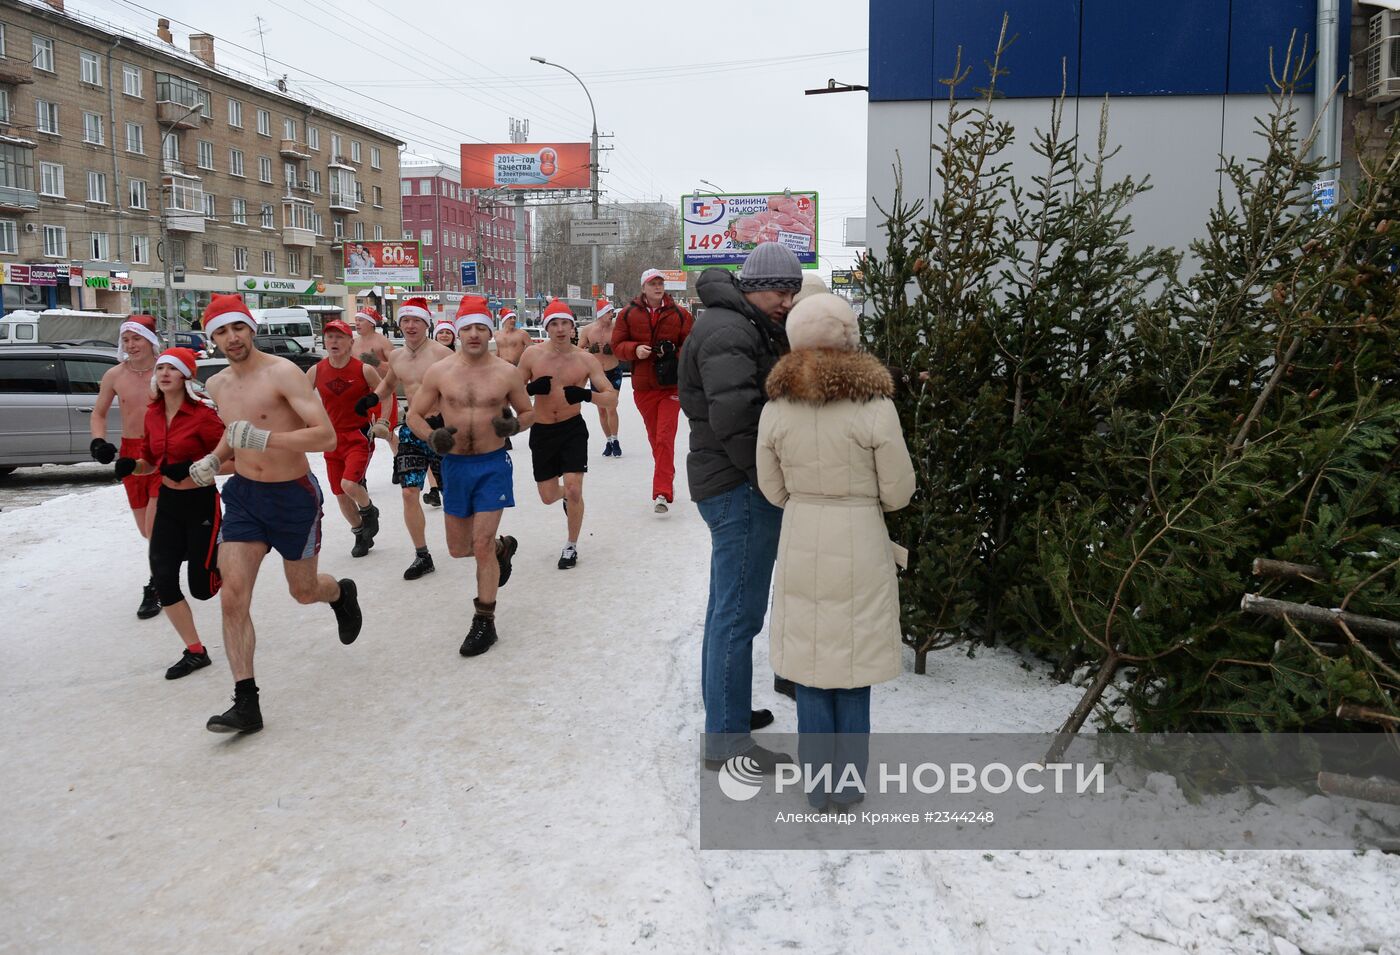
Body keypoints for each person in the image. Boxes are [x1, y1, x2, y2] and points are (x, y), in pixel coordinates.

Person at [756, 294, 915, 808]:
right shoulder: (875, 403)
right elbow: (899, 491)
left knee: (810, 665)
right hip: (861, 537)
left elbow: (770, 486)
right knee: (854, 662)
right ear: (850, 337)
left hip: (801, 533)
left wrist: (805, 499)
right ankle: (848, 785)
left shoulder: (778, 405)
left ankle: (818, 785)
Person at [193, 294, 363, 734]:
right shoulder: (217, 386)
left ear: (250, 328)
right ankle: (245, 702)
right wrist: (215, 459)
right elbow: (236, 436)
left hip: (293, 496)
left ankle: (340, 595)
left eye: (237, 328)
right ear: (211, 338)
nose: (231, 338)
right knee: (233, 596)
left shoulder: (283, 372)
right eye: (220, 332)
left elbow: (325, 437)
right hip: (245, 497)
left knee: (303, 591)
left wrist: (265, 439)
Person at [677, 242, 805, 772]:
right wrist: (769, 482)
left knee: (725, 610)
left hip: (728, 484)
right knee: (737, 616)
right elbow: (738, 421)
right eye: (782, 290)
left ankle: (726, 714)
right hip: (739, 486)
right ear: (754, 287)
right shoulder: (732, 330)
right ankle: (727, 740)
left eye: (794, 291)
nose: (788, 301)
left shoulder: (738, 323)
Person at [408, 296, 533, 656]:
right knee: (459, 548)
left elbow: (528, 414)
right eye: (468, 328)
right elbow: (414, 415)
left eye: (481, 327)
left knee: (478, 546)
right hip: (455, 466)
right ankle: (501, 549)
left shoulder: (506, 372)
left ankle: (484, 621)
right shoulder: (440, 372)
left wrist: (513, 425)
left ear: (490, 331)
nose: (474, 334)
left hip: (493, 464)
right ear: (458, 331)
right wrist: (432, 436)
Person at [114, 347, 228, 680]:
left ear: (186, 376)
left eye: (172, 369)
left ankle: (229, 561)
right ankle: (195, 651)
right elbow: (149, 461)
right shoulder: (151, 414)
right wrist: (131, 466)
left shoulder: (204, 416)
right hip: (168, 503)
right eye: (160, 367)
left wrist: (197, 469)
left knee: (202, 588)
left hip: (201, 504)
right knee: (163, 579)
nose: (163, 373)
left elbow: (233, 459)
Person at [518, 299, 618, 569]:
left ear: (573, 328)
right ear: (546, 328)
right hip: (542, 431)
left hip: (572, 429)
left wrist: (586, 395)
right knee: (548, 496)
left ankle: (571, 546)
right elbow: (511, 391)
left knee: (575, 489)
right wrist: (529, 390)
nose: (560, 329)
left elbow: (612, 399)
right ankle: (564, 498)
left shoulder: (585, 360)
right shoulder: (532, 355)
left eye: (565, 323)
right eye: (554, 323)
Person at [366, 297, 455, 579]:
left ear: (426, 324)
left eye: (416, 320)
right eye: (406, 320)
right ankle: (422, 555)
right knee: (408, 492)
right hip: (411, 429)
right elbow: (390, 383)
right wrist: (371, 398)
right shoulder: (397, 356)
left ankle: (481, 540)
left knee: (455, 494)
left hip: (442, 428)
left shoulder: (443, 354)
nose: (411, 325)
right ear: (400, 324)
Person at [90, 314, 166, 618]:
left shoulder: (165, 369)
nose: (131, 345)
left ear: (150, 340)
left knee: (154, 526)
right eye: (126, 339)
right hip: (130, 454)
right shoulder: (114, 375)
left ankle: (157, 584)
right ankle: (174, 555)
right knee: (146, 531)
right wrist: (99, 442)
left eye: (136, 338)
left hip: (161, 452)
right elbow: (98, 413)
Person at [611, 268, 694, 512]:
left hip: (671, 385)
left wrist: (672, 351)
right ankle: (664, 476)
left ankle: (662, 492)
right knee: (655, 437)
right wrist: (634, 349)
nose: (658, 287)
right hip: (644, 386)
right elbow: (617, 346)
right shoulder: (627, 314)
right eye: (652, 283)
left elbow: (691, 347)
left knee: (664, 436)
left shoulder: (680, 314)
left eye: (660, 283)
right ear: (644, 287)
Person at [306, 319, 382, 559]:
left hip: (358, 436)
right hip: (331, 439)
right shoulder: (316, 370)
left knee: (350, 485)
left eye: (339, 337)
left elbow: (385, 394)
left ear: (351, 342)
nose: (334, 341)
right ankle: (360, 532)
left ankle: (369, 511)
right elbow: (298, 399)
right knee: (339, 493)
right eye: (329, 337)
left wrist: (382, 422)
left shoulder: (364, 370)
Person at [578, 297, 623, 456]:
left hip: (614, 371)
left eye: (612, 312)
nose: (612, 315)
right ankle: (609, 440)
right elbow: (578, 350)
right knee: (602, 411)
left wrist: (614, 349)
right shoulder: (588, 330)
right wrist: (591, 350)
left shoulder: (617, 328)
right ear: (601, 314)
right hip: (597, 374)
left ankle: (616, 440)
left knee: (611, 407)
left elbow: (624, 347)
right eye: (609, 312)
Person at [422, 319, 458, 508]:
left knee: (448, 454)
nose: (444, 335)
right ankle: (434, 489)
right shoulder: (428, 356)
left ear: (454, 336)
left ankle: (451, 487)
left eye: (448, 332)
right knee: (428, 453)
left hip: (450, 415)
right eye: (441, 332)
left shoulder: (459, 358)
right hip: (428, 414)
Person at [353, 306, 399, 454]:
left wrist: (377, 363)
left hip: (382, 392)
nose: (357, 323)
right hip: (360, 392)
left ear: (371, 323)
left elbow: (397, 367)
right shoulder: (353, 343)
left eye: (361, 320)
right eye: (356, 320)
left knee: (388, 433)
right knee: (360, 432)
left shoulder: (382, 342)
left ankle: (401, 464)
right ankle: (360, 469)